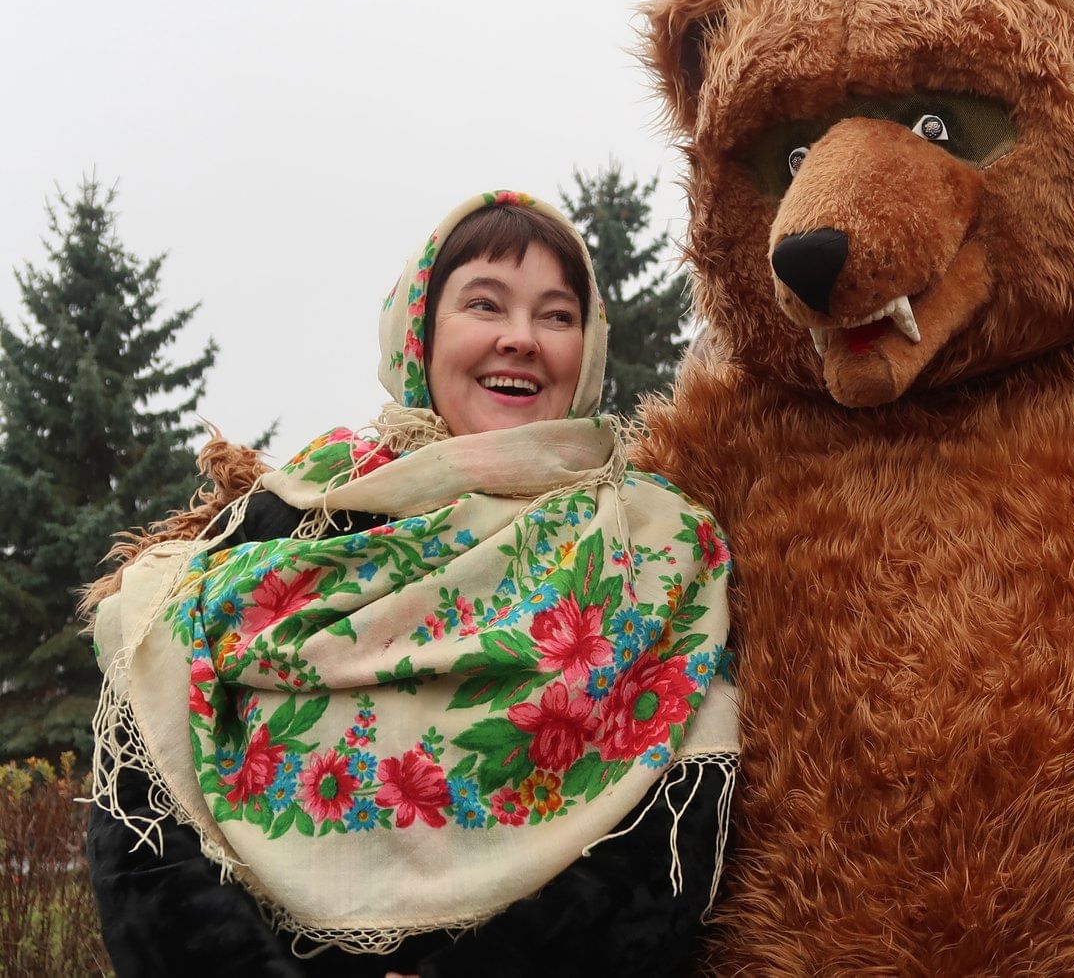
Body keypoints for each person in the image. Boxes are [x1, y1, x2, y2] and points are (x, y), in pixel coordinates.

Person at [85, 191, 737, 977]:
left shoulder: (656, 544)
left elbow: (667, 838)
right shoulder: (300, 513)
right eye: (484, 304)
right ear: (419, 333)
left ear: (589, 347)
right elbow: (148, 779)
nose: (521, 339)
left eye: (556, 315)